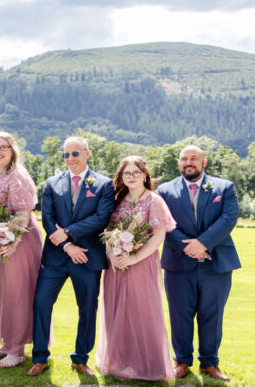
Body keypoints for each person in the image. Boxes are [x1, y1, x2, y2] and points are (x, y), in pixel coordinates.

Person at [27, 136, 115, 378]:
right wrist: (67, 245)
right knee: (41, 303)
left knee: (87, 308)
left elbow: (101, 217)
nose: (70, 159)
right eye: (66, 155)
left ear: (87, 154)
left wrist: (67, 233)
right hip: (56, 257)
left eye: (75, 154)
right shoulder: (52, 183)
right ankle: (40, 357)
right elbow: (47, 218)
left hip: (88, 257)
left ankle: (80, 358)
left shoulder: (104, 184)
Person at [158, 145, 240, 382]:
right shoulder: (164, 190)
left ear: (204, 162)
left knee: (212, 315)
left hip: (216, 263)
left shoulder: (224, 187)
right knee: (179, 314)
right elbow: (164, 223)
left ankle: (210, 363)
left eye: (194, 158)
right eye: (184, 159)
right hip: (178, 262)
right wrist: (187, 247)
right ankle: (182, 361)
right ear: (179, 163)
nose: (188, 162)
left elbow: (228, 219)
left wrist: (203, 243)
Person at [95, 156, 176, 381]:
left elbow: (159, 235)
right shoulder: (116, 201)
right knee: (116, 312)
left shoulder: (154, 201)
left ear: (145, 174)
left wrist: (135, 258)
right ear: (120, 177)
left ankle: (147, 365)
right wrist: (113, 255)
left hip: (142, 265)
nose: (131, 177)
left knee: (141, 312)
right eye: (126, 173)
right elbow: (108, 231)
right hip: (116, 266)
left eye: (136, 172)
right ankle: (120, 362)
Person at [0, 131, 44, 368]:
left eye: (3, 147)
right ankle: (6, 343)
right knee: (2, 292)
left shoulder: (18, 176)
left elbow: (24, 213)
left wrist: (14, 241)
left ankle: (17, 350)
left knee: (18, 292)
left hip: (19, 238)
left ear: (12, 150)